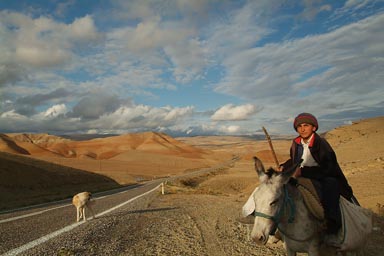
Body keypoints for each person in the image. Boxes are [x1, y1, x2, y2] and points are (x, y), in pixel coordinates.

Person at [281, 113, 358, 241]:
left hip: (323, 176)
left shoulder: (321, 144)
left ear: (314, 128)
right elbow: (295, 160)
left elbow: (329, 168)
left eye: (306, 125)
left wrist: (303, 172)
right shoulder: (296, 143)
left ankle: (333, 226)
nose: (302, 129)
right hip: (302, 174)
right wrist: (284, 166)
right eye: (299, 126)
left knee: (330, 186)